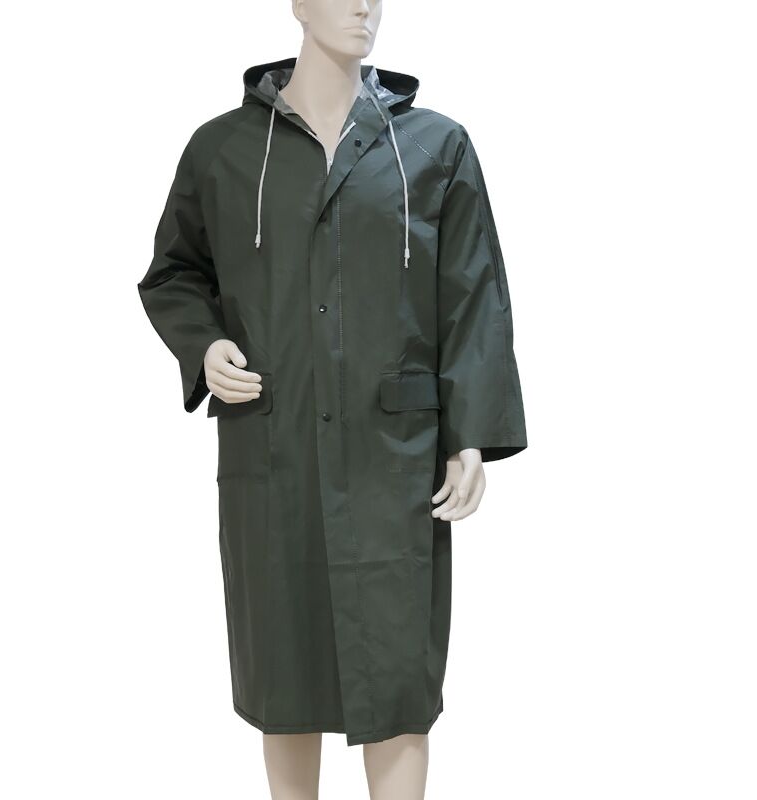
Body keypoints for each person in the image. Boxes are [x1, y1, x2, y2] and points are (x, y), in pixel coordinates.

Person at [137, 2, 527, 798]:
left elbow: (473, 293)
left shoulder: (435, 146)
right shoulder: (224, 149)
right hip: (272, 445)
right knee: (284, 672)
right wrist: (204, 345)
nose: (363, 5)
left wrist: (471, 434)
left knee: (400, 679)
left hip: (395, 460)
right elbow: (175, 271)